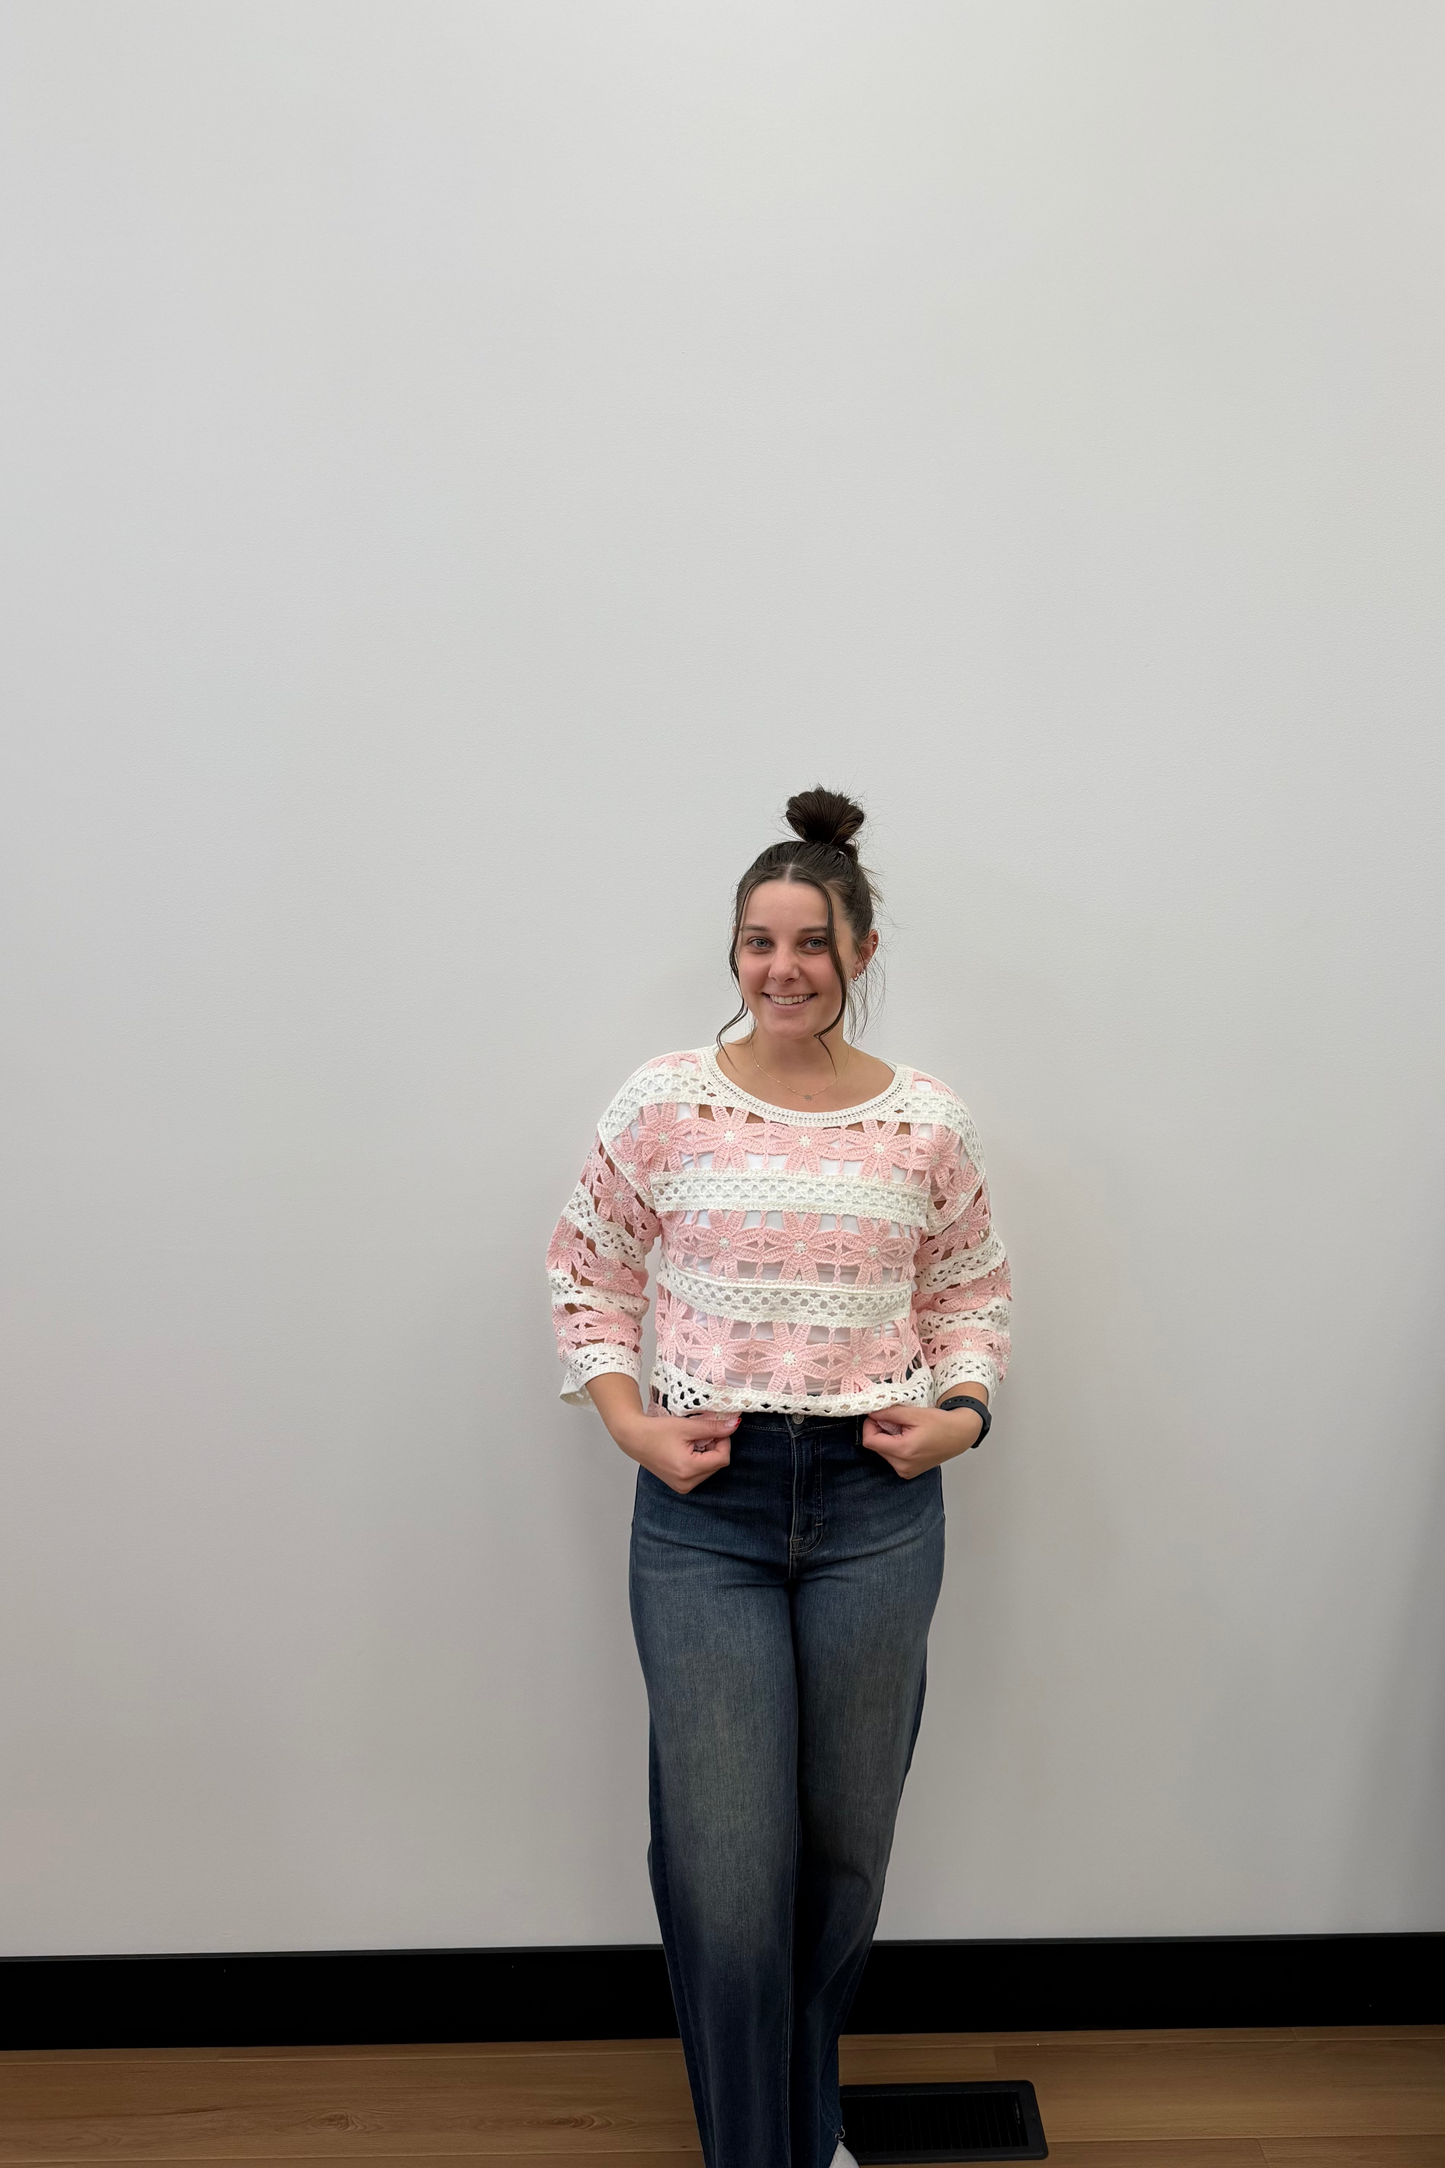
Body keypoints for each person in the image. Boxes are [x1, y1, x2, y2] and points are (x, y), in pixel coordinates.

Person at [546, 788, 1011, 2168]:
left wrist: (963, 1416)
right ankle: (761, 2150)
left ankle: (810, 2126)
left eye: (814, 941)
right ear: (735, 951)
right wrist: (630, 1425)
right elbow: (586, 1273)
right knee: (730, 1864)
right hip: (709, 1510)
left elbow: (970, 1293)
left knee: (845, 1855)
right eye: (761, 941)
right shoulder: (666, 1103)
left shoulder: (926, 1122)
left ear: (862, 950)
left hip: (879, 1507)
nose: (785, 967)